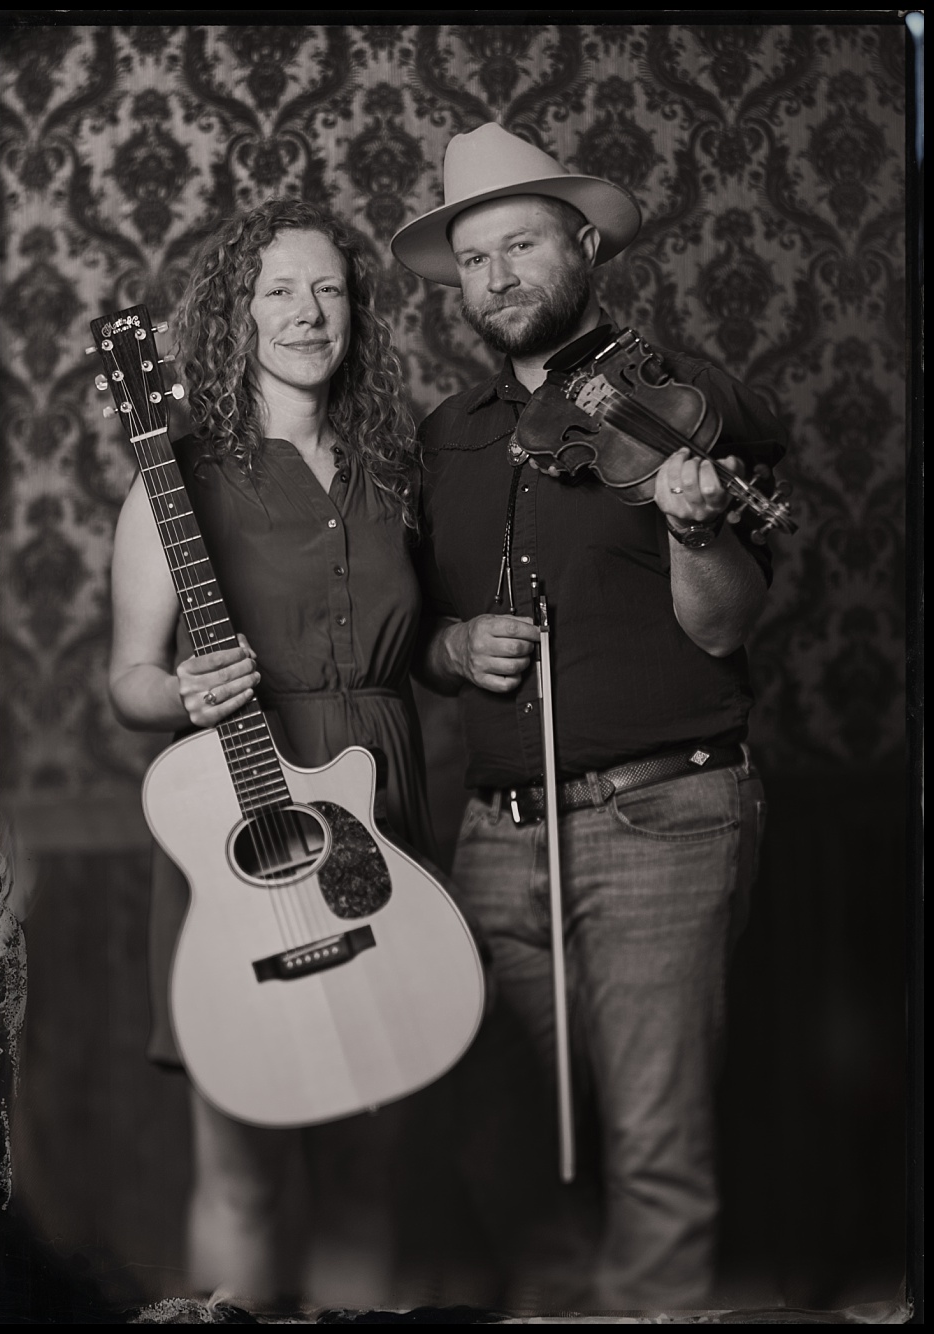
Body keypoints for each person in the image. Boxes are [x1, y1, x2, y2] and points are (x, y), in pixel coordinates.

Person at [390, 122, 789, 1313]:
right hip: (498, 834)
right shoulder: (443, 437)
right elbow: (409, 634)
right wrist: (457, 647)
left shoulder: (675, 409)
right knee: (501, 1131)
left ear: (584, 243)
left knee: (653, 1142)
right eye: (475, 259)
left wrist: (695, 526)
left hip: (666, 812)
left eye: (522, 244)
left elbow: (725, 629)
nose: (499, 276)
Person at [108, 198, 436, 1309]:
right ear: (235, 315)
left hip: (383, 817)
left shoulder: (395, 465)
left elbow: (422, 636)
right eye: (280, 290)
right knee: (244, 1177)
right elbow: (129, 678)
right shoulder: (177, 476)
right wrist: (184, 690)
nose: (309, 311)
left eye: (331, 289)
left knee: (368, 1172)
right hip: (240, 832)